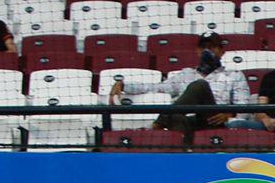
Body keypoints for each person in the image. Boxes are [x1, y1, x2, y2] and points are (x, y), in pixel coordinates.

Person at [109, 33, 256, 133]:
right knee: (175, 114)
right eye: (203, 47)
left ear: (222, 51)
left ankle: (156, 125)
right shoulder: (186, 74)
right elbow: (157, 87)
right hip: (186, 122)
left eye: (212, 47)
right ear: (197, 51)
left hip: (214, 123)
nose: (207, 51)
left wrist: (228, 115)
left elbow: (244, 108)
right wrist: (124, 85)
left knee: (200, 85)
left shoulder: (234, 75)